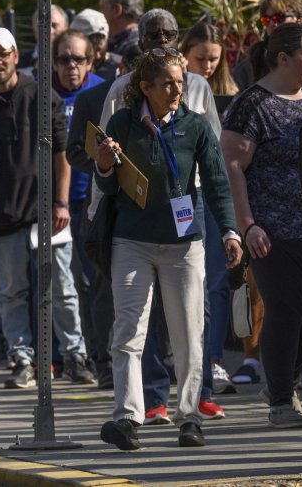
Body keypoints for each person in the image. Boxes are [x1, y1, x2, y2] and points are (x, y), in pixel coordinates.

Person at [94, 48, 243, 450]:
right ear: (145, 87)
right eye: (167, 84)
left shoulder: (194, 127)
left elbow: (215, 181)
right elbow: (109, 188)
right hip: (132, 242)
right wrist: (104, 165)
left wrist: (230, 231)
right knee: (128, 331)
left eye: (180, 82)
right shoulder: (123, 122)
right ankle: (127, 418)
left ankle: (189, 417)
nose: (177, 89)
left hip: (184, 245)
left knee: (189, 335)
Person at [0, 27, 94, 388]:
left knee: (62, 287)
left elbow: (62, 151)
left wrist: (61, 201)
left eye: (4, 54)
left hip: (46, 213)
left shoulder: (39, 93)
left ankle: (75, 357)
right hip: (1, 217)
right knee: (11, 292)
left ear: (16, 56)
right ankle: (22, 359)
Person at [222, 23, 302, 427]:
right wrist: (247, 225)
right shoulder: (252, 104)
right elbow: (233, 168)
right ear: (284, 57)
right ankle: (280, 401)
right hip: (273, 236)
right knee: (286, 315)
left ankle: (283, 383)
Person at [180, 20, 238, 388]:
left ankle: (213, 358)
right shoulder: (182, 88)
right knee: (188, 278)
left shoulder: (231, 93)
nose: (208, 65)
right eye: (201, 58)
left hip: (215, 191)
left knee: (215, 282)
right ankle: (190, 355)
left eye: (215, 59)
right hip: (187, 193)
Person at [52, 29, 106, 372]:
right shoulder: (43, 93)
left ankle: (97, 354)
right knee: (60, 283)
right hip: (53, 204)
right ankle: (63, 355)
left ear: (91, 60)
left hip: (92, 200)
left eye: (79, 59)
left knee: (92, 282)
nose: (71, 66)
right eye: (63, 59)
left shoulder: (102, 91)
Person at [232, 0, 302, 91]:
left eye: (279, 17)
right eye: (266, 20)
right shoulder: (252, 63)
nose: (272, 24)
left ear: (299, 19)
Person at [98, 0, 143, 74]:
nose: (99, 14)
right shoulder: (143, 39)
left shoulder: (136, 45)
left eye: (102, 8)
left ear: (116, 10)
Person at [72, 8, 113, 82]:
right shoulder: (67, 67)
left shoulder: (117, 68)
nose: (97, 56)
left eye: (100, 50)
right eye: (92, 50)